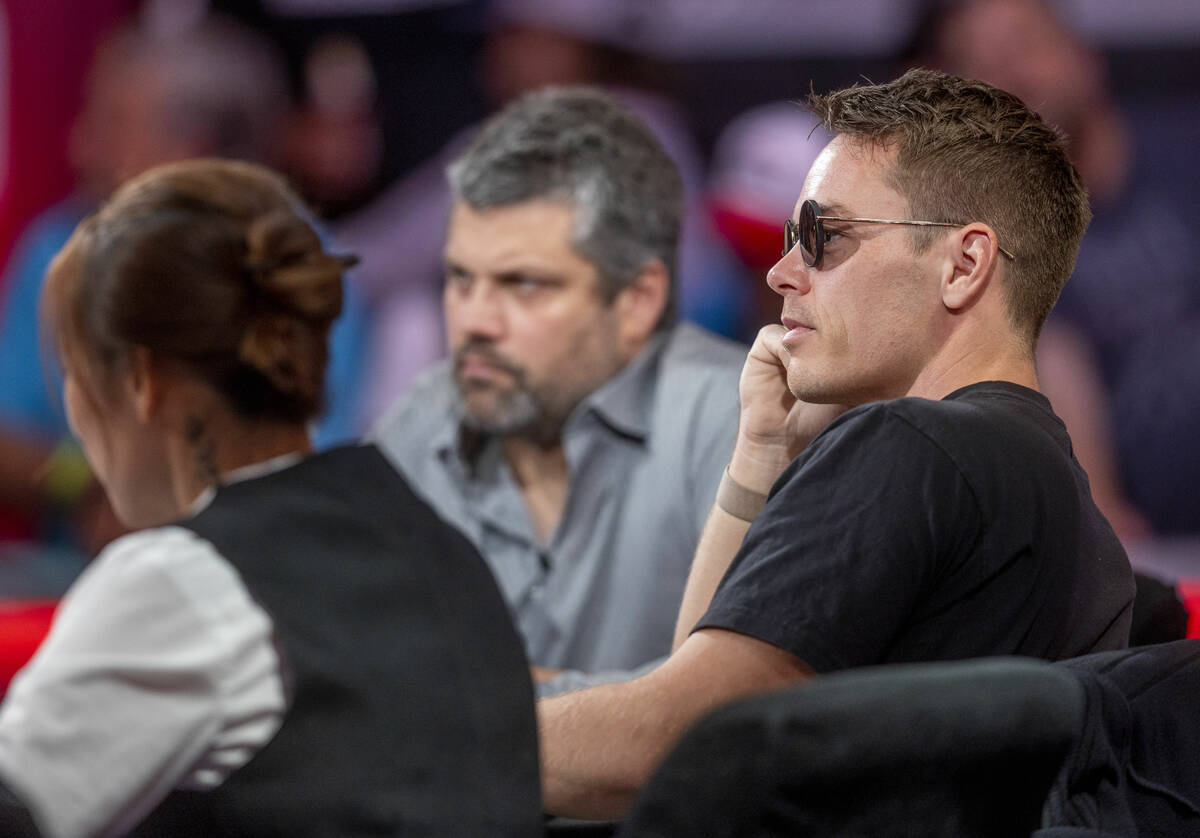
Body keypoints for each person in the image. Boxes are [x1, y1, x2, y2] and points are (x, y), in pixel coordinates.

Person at [537, 68, 1135, 819]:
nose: (783, 272)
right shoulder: (1067, 506)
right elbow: (693, 686)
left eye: (824, 236)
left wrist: (407, 737)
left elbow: (674, 744)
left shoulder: (910, 444)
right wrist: (761, 450)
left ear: (965, 264)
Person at [0, 159, 541, 837]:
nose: (74, 414)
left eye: (73, 379)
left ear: (142, 379)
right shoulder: (442, 546)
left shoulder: (179, 583)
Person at [371, 86, 745, 694]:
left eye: (524, 285)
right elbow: (347, 666)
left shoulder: (735, 422)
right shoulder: (425, 415)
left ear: (635, 301)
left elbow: (721, 712)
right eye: (459, 280)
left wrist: (453, 695)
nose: (475, 322)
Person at [0, 14, 371, 565]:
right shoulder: (60, 244)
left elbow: (303, 464)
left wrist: (160, 503)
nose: (81, 146)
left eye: (111, 124)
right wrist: (86, 485)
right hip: (73, 577)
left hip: (256, 579)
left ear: (190, 148)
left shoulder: (299, 268)